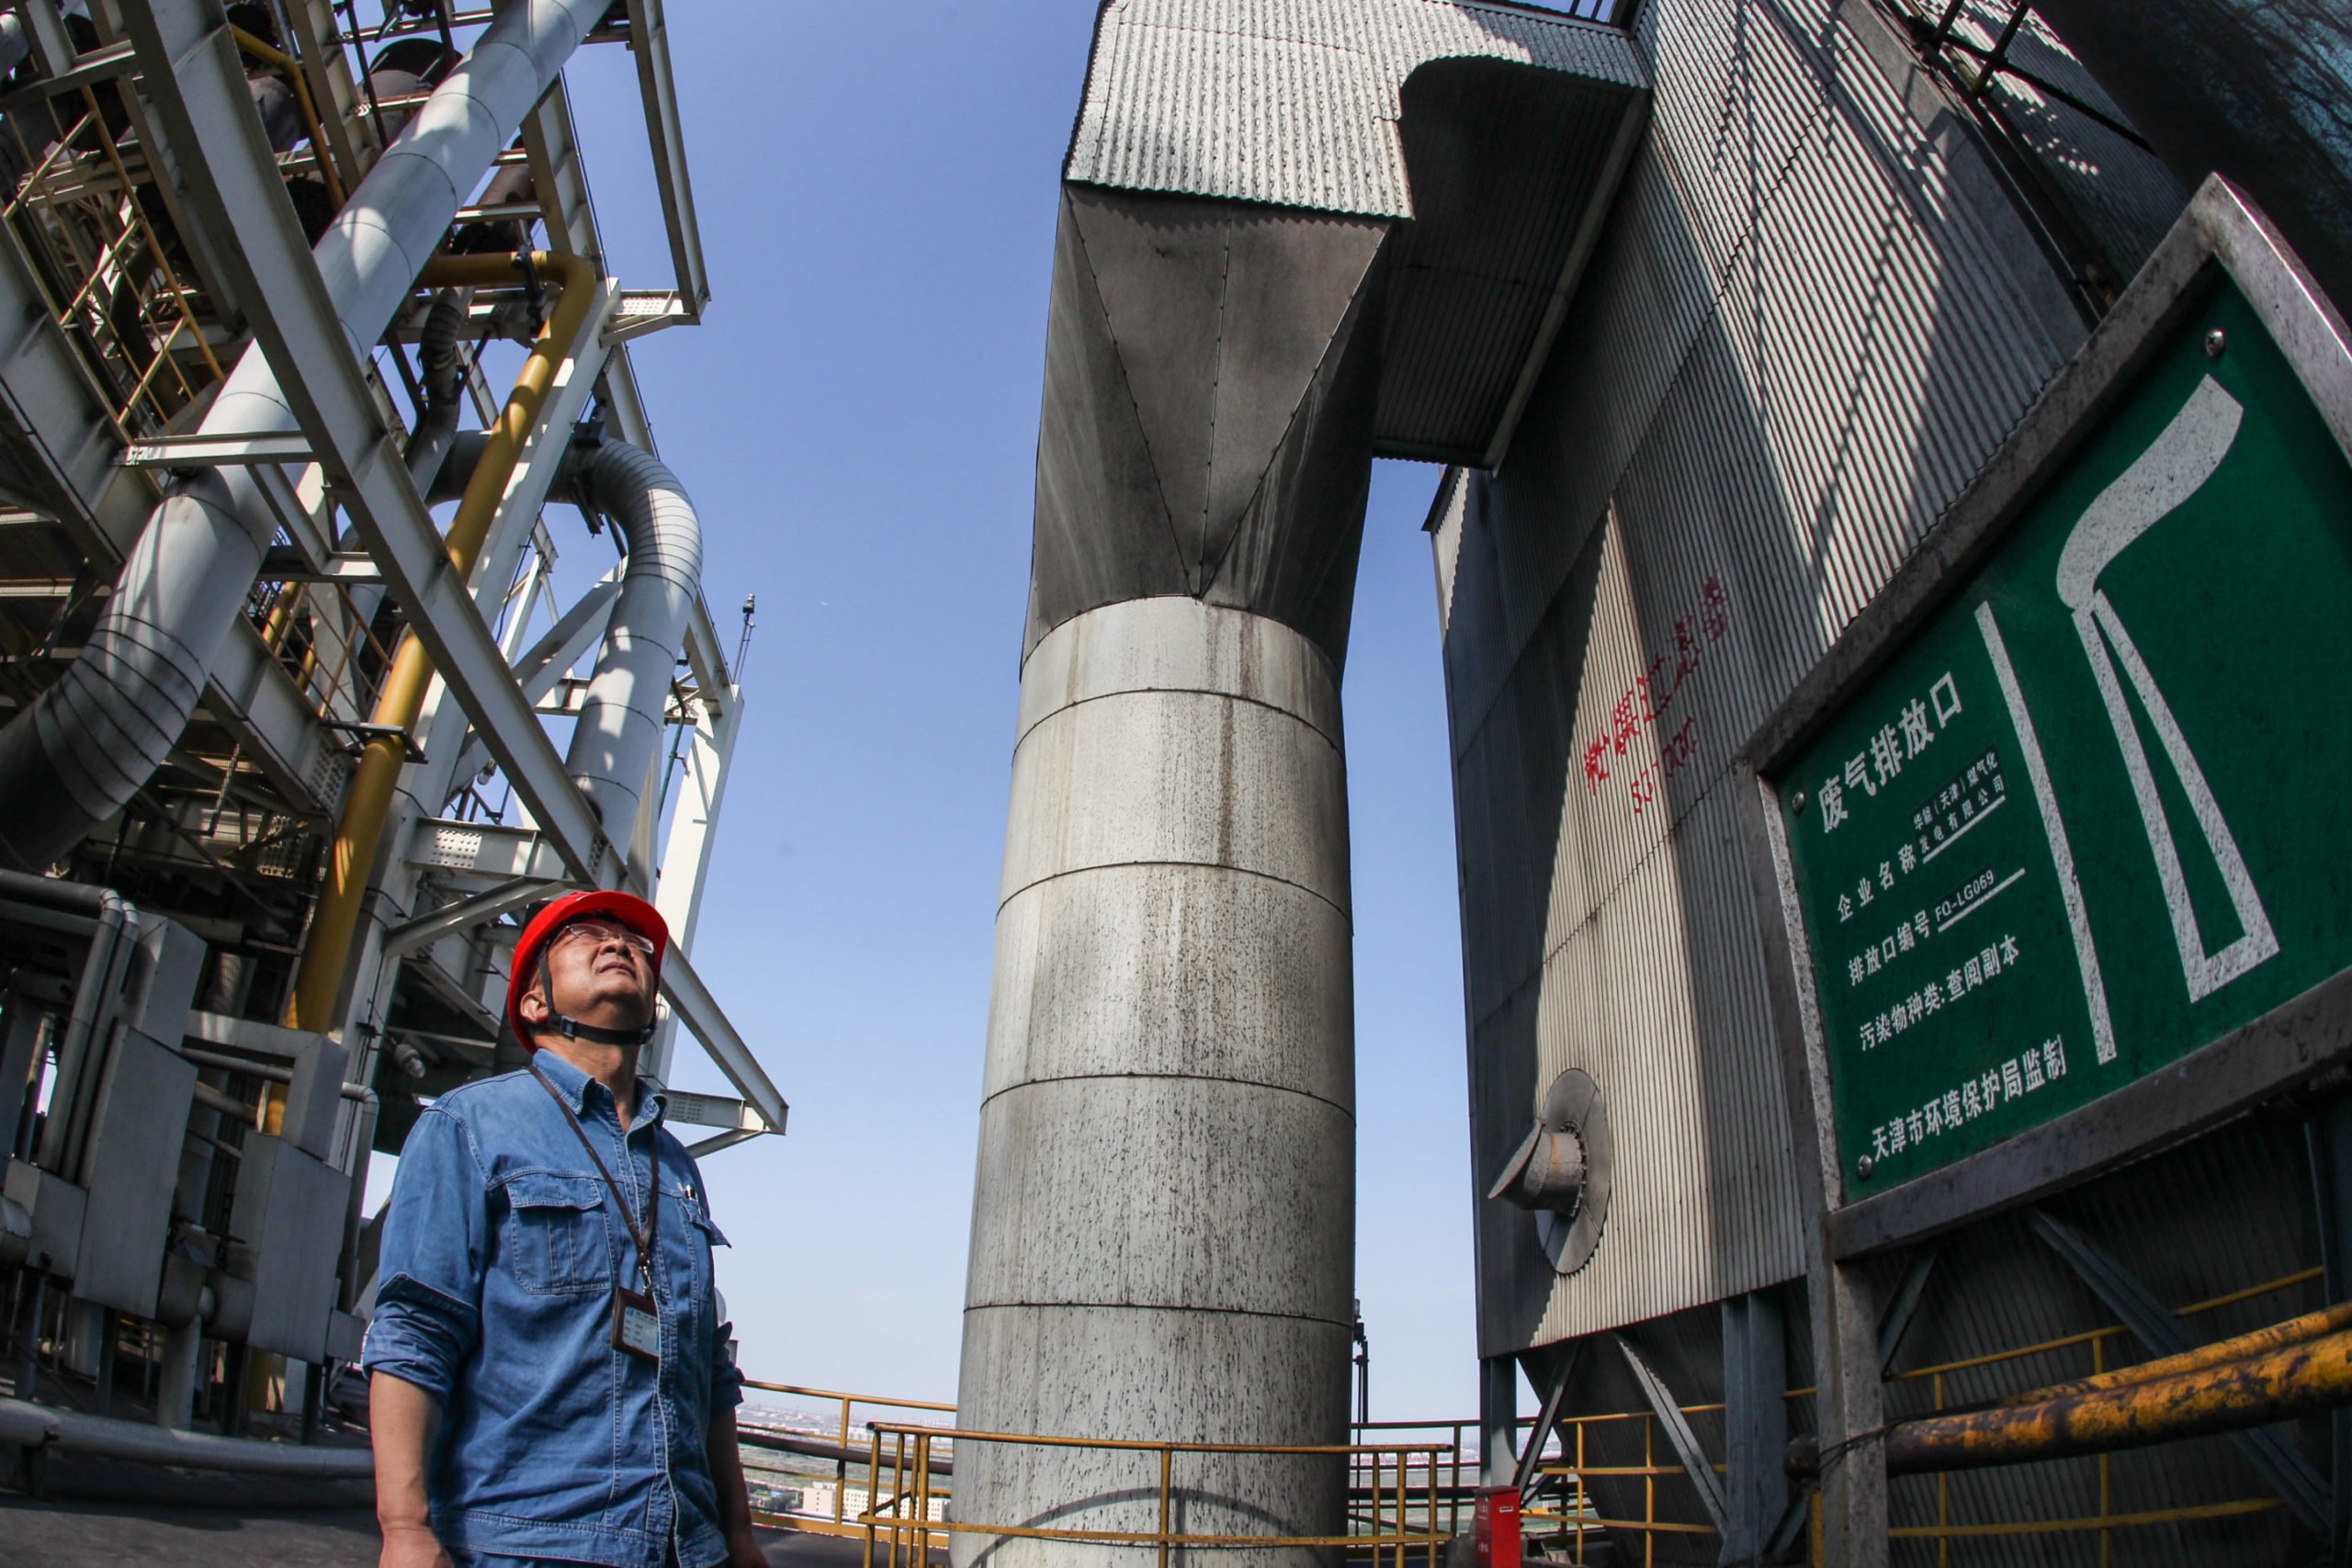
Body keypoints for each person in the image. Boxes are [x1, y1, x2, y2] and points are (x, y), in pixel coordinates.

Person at [362, 889, 766, 1568]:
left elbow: (709, 1371)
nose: (619, 943)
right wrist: (404, 1526)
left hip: (683, 1551)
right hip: (527, 1542)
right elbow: (415, 1329)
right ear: (533, 1001)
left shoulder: (676, 1167)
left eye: (634, 941)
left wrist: (739, 1532)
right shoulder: (469, 1127)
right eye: (586, 934)